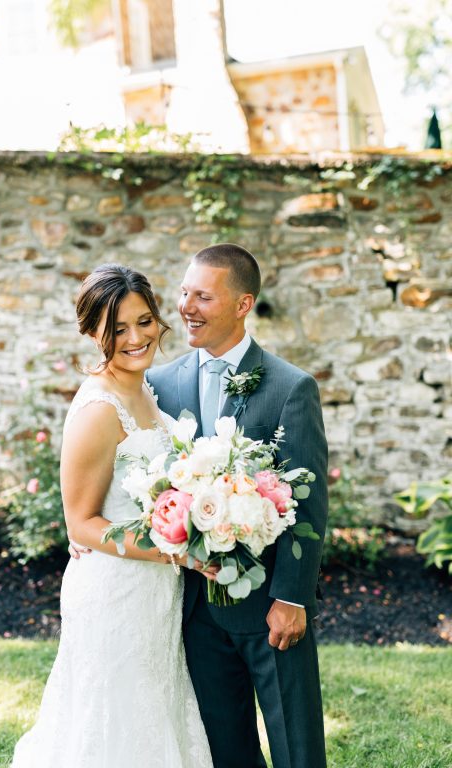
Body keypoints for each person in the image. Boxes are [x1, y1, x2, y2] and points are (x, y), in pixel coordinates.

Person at [11, 264, 213, 768]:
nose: (136, 337)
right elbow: (80, 524)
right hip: (114, 591)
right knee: (111, 723)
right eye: (117, 329)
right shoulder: (99, 409)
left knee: (153, 712)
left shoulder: (145, 389)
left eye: (144, 321)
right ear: (92, 332)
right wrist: (179, 552)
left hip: (154, 593)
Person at [146, 244, 328, 768]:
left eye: (203, 296)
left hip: (270, 607)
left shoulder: (290, 388)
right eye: (184, 292)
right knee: (224, 750)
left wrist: (292, 599)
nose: (186, 306)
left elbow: (308, 501)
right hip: (195, 610)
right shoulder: (161, 383)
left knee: (297, 748)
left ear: (243, 303)